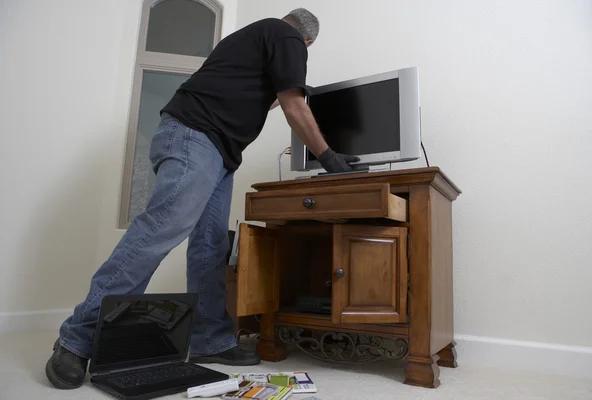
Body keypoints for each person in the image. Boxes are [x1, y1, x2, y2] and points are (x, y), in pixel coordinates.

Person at [45, 8, 358, 389]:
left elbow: (270, 96)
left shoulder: (254, 40)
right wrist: (329, 158)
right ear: (306, 41)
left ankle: (210, 340)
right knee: (161, 228)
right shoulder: (285, 35)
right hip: (197, 136)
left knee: (210, 247)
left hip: (216, 150)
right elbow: (294, 105)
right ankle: (76, 338)